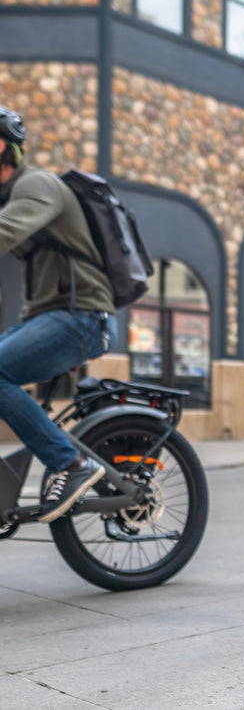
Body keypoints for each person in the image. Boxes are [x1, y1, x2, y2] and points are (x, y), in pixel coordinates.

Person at [0, 105, 118, 523]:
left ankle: (72, 465)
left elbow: (4, 232)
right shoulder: (11, 195)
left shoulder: (36, 186)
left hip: (83, 317)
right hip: (48, 319)